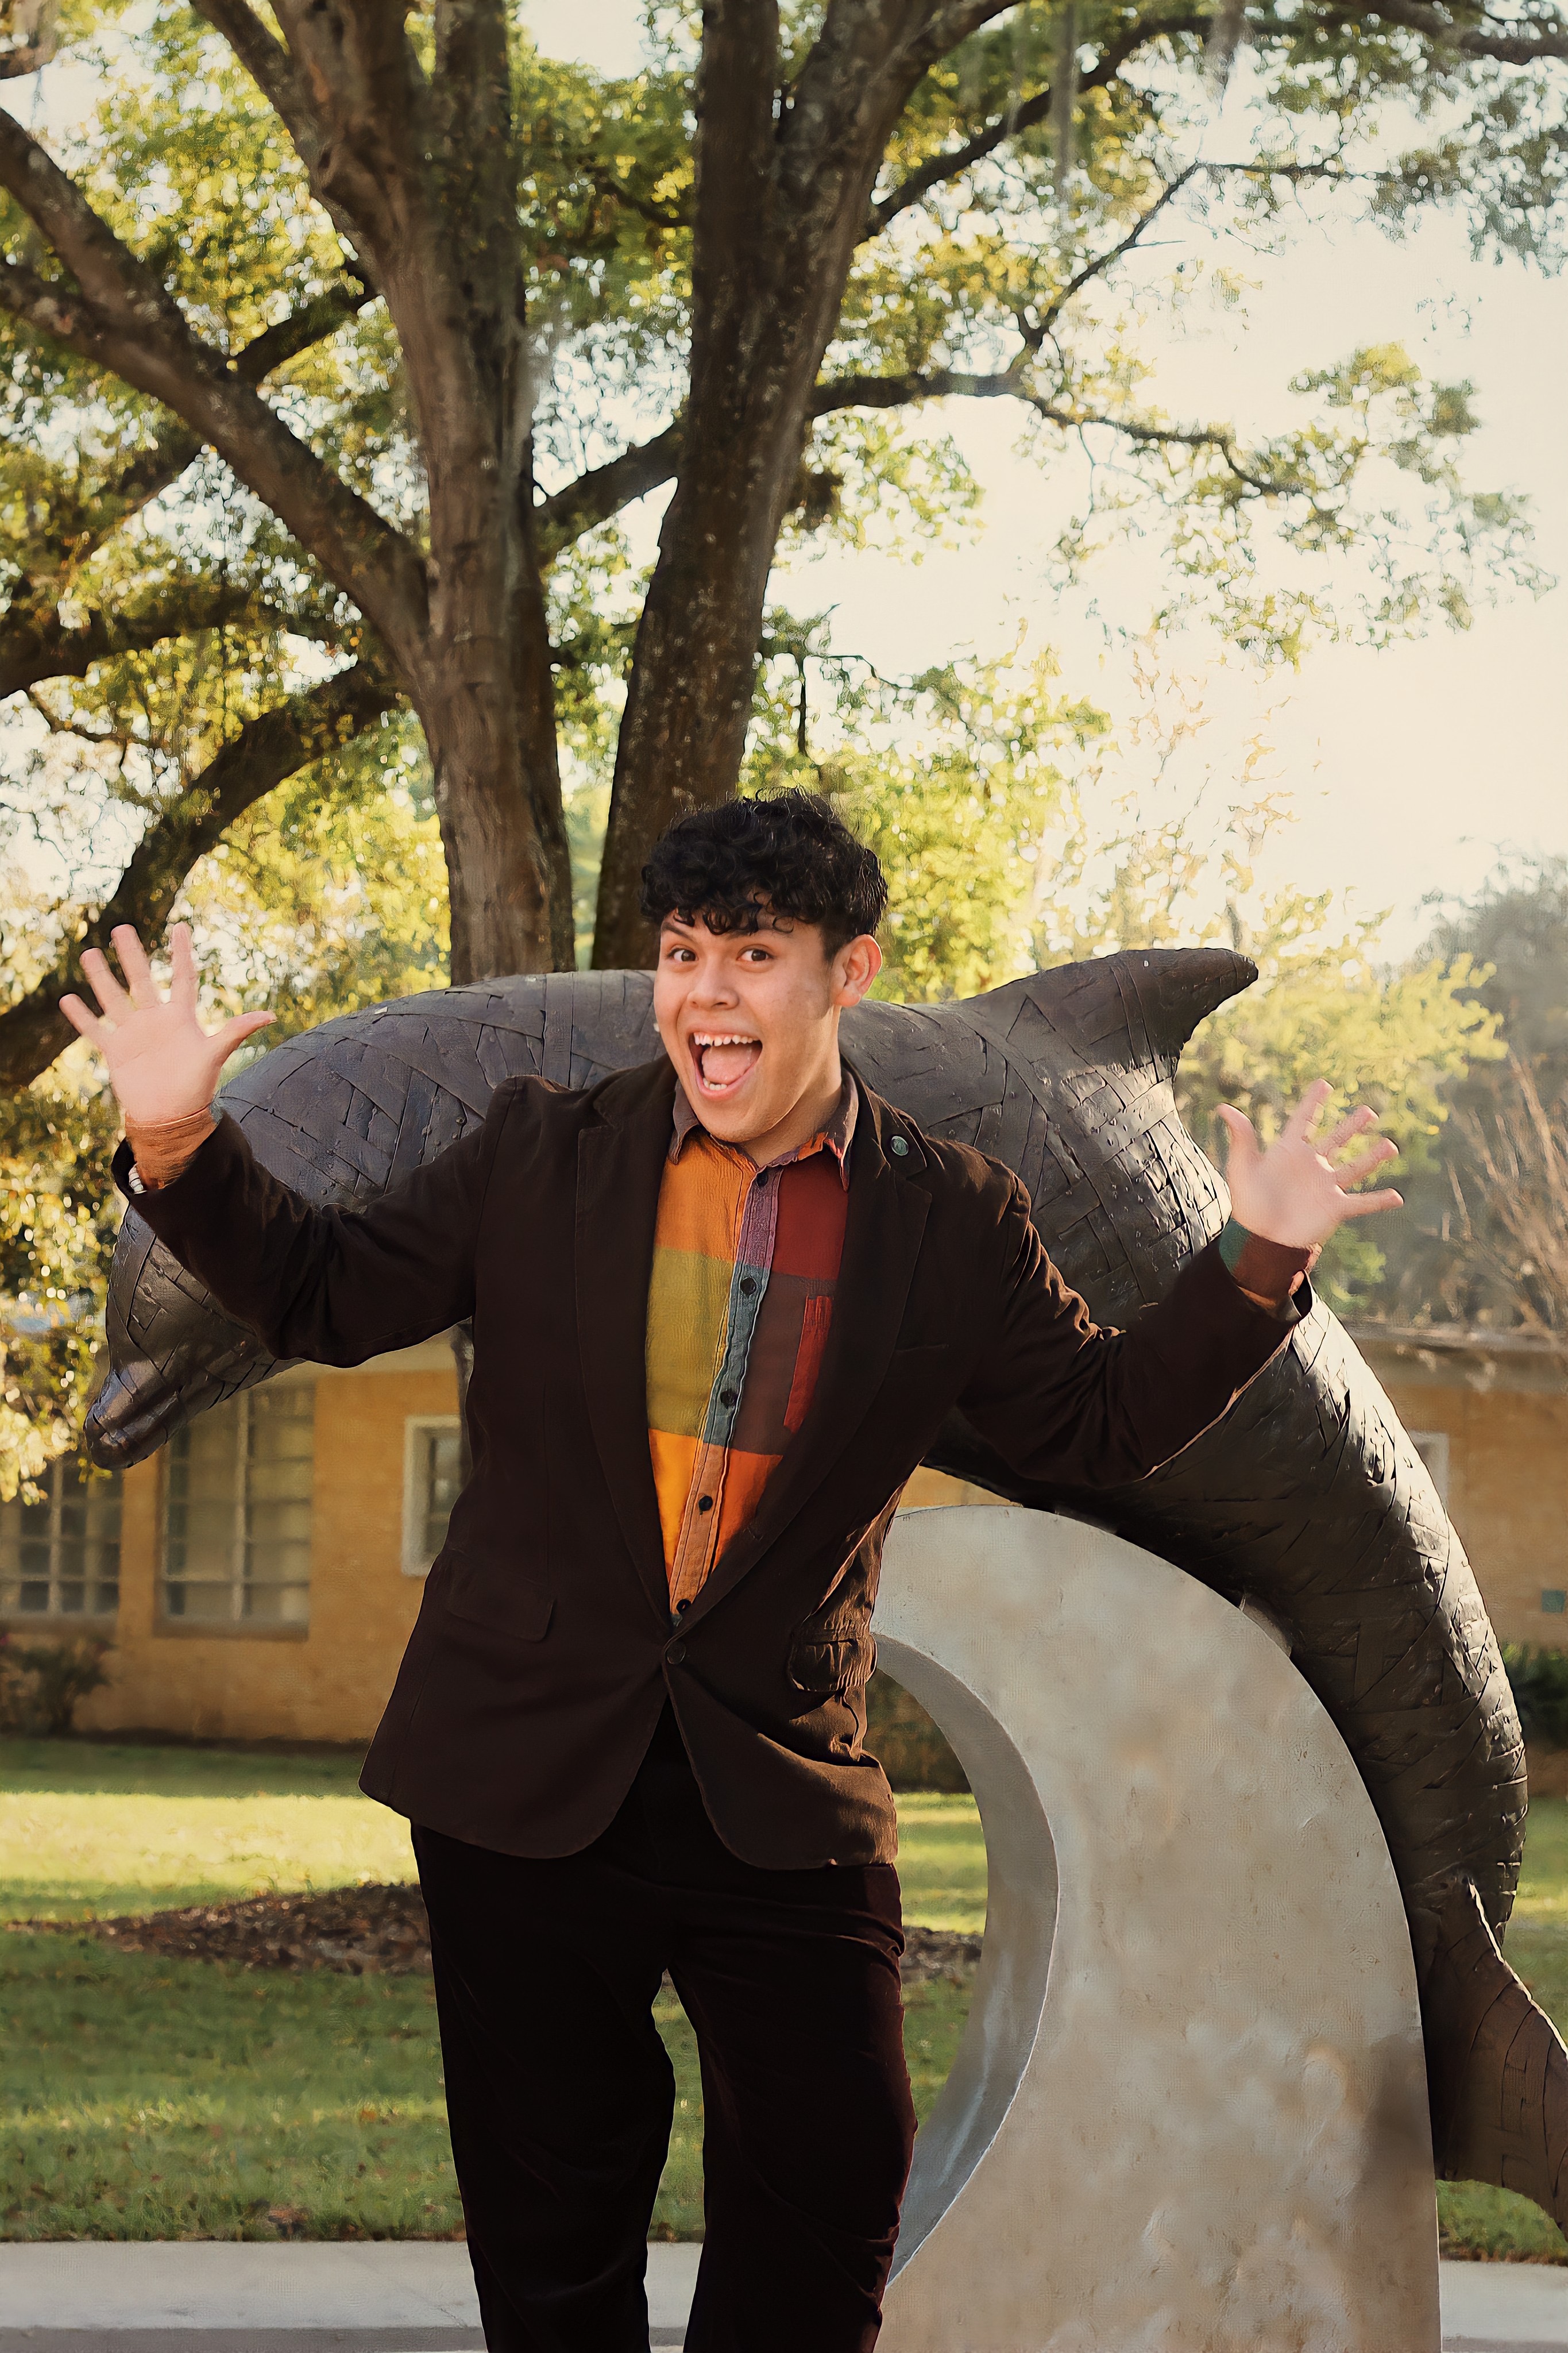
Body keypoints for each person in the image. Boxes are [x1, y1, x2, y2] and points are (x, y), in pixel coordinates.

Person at [63, 792, 1400, 2353]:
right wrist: (174, 1137)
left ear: (846, 972)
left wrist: (1255, 1263)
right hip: (517, 1772)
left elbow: (1093, 1423)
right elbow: (320, 1292)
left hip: (778, 1779)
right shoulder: (536, 1153)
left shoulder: (951, 1215)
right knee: (552, 2221)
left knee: (835, 2182)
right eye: (680, 952)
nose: (703, 990)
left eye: (751, 954)